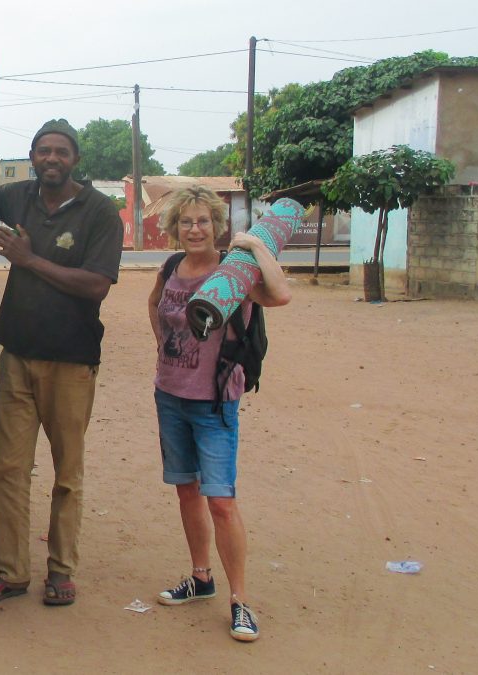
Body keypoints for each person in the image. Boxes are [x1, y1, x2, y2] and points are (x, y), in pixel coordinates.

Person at [0, 119, 124, 607]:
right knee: (7, 469)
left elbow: (95, 284)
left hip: (72, 360)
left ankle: (62, 571)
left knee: (67, 472)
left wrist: (28, 260)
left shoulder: (100, 212)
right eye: (43, 151)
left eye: (60, 152)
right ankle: (11, 573)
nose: (51, 159)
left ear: (75, 160)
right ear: (32, 157)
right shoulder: (19, 195)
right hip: (17, 356)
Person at [146, 185, 290, 642]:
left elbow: (280, 293)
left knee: (222, 502)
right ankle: (200, 577)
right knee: (186, 492)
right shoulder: (171, 267)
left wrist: (255, 246)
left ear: (216, 225)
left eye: (203, 221)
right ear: (175, 228)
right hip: (169, 395)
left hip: (214, 403)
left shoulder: (235, 271)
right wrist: (163, 347)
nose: (194, 229)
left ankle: (240, 601)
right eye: (186, 222)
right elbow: (154, 305)